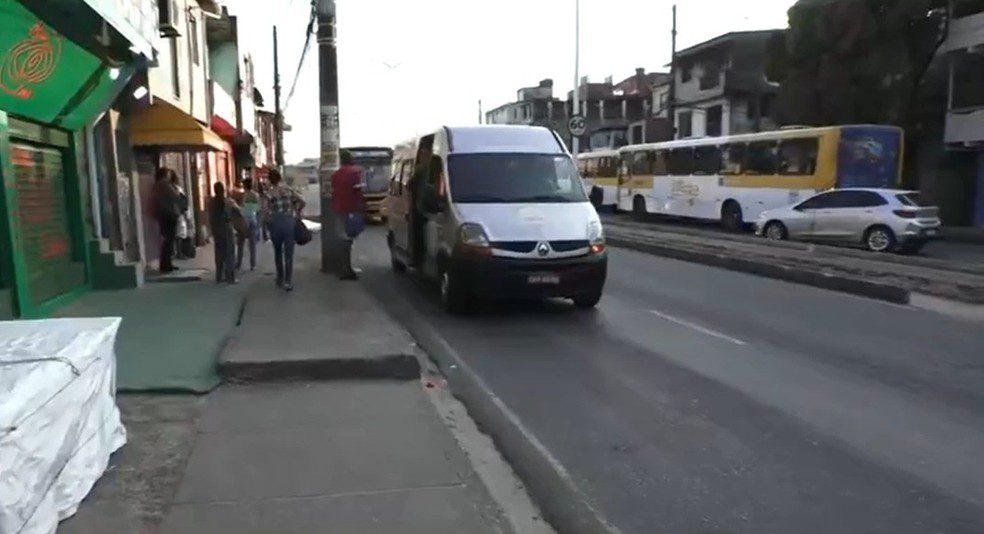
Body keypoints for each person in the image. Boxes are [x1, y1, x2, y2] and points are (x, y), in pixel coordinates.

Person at [265, 169, 304, 291]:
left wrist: (267, 225)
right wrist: (296, 212)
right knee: (289, 253)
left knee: (277, 252)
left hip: (276, 224)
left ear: (270, 180)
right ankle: (288, 281)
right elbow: (302, 202)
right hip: (288, 222)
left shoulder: (270, 193)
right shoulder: (288, 190)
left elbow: (266, 212)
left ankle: (280, 278)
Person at [330, 150, 365, 280]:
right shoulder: (355, 172)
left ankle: (343, 269)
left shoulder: (336, 175)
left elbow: (334, 191)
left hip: (339, 210)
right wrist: (361, 208)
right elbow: (358, 192)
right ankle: (347, 270)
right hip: (352, 210)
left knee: (343, 240)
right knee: (349, 240)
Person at [208, 182, 238, 284]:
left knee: (219, 253)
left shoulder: (211, 202)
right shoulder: (228, 201)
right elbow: (238, 210)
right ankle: (230, 277)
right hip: (226, 228)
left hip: (216, 229)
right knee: (229, 252)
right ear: (223, 190)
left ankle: (219, 276)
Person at [152, 167, 181, 273]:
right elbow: (175, 196)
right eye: (168, 173)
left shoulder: (157, 185)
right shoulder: (164, 184)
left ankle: (167, 263)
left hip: (162, 215)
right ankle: (166, 265)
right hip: (168, 215)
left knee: (167, 241)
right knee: (169, 241)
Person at [236, 178, 261, 271]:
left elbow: (241, 207)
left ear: (245, 186)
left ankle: (238, 263)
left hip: (244, 219)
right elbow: (258, 209)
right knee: (252, 244)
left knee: (240, 243)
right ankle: (253, 265)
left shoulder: (244, 195)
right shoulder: (256, 195)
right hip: (253, 219)